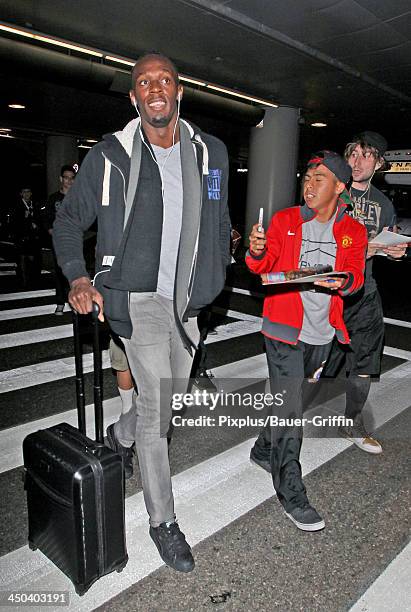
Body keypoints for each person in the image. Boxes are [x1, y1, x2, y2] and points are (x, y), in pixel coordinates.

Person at [53, 52, 231, 573]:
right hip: (136, 299)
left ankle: (120, 436)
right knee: (158, 408)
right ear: (134, 97)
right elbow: (68, 222)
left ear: (179, 92)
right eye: (144, 82)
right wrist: (79, 277)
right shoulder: (109, 157)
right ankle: (163, 521)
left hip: (188, 301)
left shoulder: (210, 153)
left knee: (167, 402)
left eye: (166, 80)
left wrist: (218, 266)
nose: (156, 88)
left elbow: (217, 217)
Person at [246, 151, 367, 532]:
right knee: (290, 409)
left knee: (298, 396)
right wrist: (257, 251)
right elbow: (262, 267)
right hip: (283, 329)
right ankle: (291, 493)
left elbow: (356, 276)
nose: (309, 185)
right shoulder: (285, 221)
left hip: (323, 333)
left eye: (319, 178)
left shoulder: (353, 231)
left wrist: (343, 281)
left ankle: (264, 447)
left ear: (339, 187)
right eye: (307, 177)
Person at [322, 132, 408, 452]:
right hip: (325, 291)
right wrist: (365, 249)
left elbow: (386, 242)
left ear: (379, 163)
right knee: (310, 361)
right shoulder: (330, 193)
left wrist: (393, 251)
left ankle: (353, 422)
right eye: (353, 154)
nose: (356, 162)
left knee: (364, 360)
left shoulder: (384, 205)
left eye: (365, 156)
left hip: (363, 292)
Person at [43, 165, 76, 314]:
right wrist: (51, 230)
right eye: (66, 177)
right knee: (60, 273)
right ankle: (60, 302)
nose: (69, 181)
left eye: (72, 178)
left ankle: (75, 302)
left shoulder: (79, 197)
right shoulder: (53, 198)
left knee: (75, 272)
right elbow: (47, 218)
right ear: (61, 179)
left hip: (75, 240)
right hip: (59, 241)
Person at [12, 187, 42, 287]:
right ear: (21, 194)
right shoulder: (17, 206)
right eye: (24, 192)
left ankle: (34, 280)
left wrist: (36, 225)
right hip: (22, 237)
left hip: (34, 237)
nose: (27, 194)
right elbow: (14, 222)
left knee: (34, 259)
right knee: (22, 260)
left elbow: (40, 219)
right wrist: (24, 218)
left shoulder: (36, 204)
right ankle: (23, 281)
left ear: (31, 193)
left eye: (28, 191)